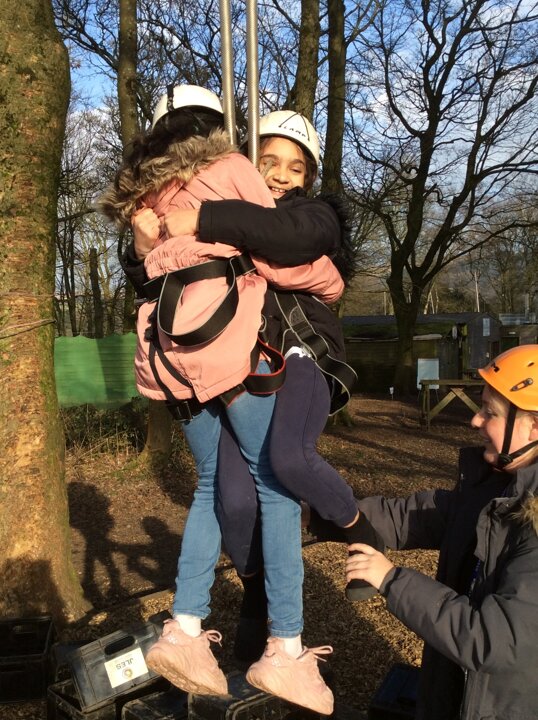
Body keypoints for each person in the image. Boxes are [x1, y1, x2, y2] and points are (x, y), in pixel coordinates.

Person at [100, 85, 337, 714]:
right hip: (223, 345)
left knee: (210, 482)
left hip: (166, 357)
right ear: (217, 128)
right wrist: (329, 278)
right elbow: (275, 246)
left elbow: (147, 271)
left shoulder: (145, 199)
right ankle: (286, 649)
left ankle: (183, 629)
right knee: (275, 486)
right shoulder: (229, 169)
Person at [158, 110, 385, 665]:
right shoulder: (231, 209)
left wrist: (206, 221)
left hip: (303, 350)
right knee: (234, 499)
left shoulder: (315, 214)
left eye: (295, 167)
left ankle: (362, 532)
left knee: (287, 458)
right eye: (269, 161)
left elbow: (285, 236)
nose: (281, 175)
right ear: (247, 165)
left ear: (309, 177)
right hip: (245, 364)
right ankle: (256, 587)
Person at [344, 345, 538, 720]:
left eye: (490, 413)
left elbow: (493, 639)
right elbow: (410, 517)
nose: (475, 421)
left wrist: (391, 579)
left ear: (534, 426)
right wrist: (324, 512)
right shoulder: (495, 489)